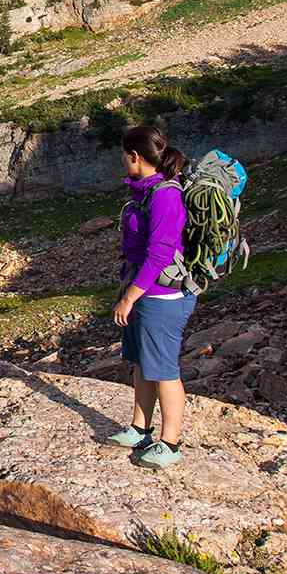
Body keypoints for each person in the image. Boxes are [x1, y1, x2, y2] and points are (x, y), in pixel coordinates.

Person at [107, 124, 194, 469]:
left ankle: (170, 443)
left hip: (163, 296)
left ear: (134, 156)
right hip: (145, 291)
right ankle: (139, 428)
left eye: (123, 156)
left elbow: (159, 254)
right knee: (144, 362)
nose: (122, 161)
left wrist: (129, 297)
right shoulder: (144, 192)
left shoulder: (164, 195)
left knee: (164, 370)